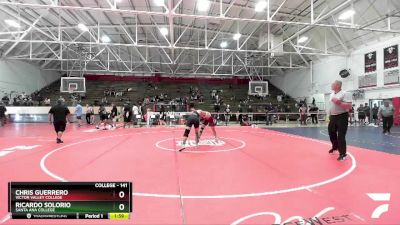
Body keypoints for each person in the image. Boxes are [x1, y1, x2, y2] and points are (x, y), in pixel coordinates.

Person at [328, 80, 352, 161]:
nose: (331, 85)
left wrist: (339, 102)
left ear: (338, 85)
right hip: (333, 116)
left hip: (342, 116)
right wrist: (329, 115)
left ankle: (343, 154)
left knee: (341, 136)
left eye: (333, 84)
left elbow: (349, 106)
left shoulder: (345, 93)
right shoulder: (331, 94)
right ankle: (335, 147)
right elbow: (331, 105)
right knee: (331, 133)